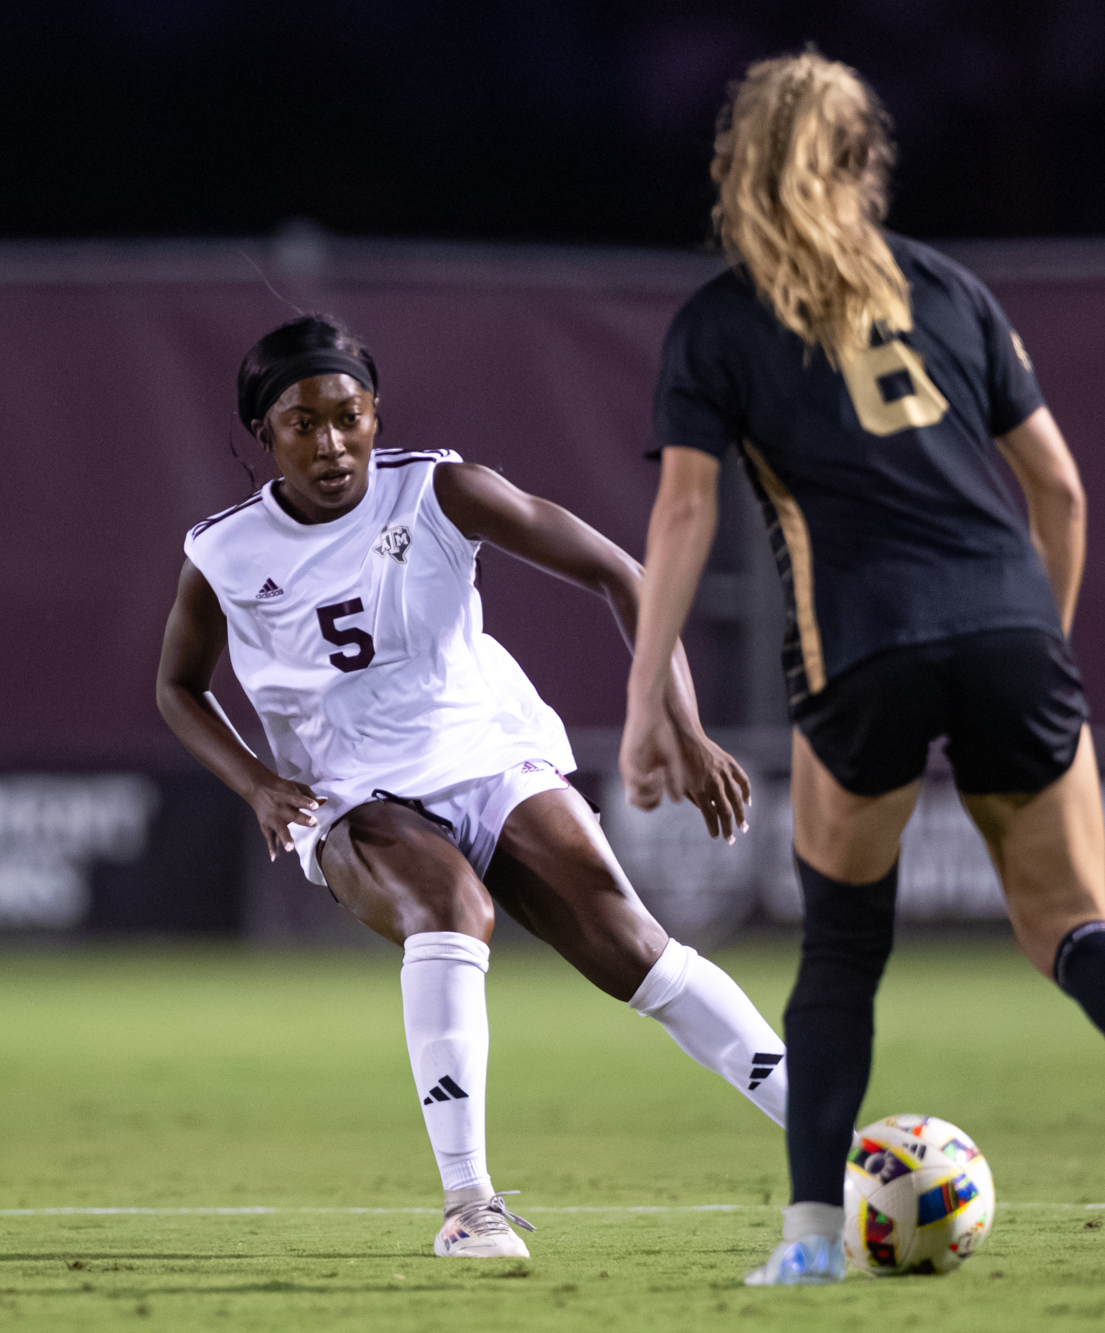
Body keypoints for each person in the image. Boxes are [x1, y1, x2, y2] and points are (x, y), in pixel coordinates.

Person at [619, 51, 1105, 1287]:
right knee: (1071, 923)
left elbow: (679, 520)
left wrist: (645, 707)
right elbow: (1059, 487)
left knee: (839, 952)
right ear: (863, 163)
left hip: (863, 645)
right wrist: (1035, 640)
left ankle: (810, 1244)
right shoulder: (945, 289)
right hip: (1007, 625)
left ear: (736, 170)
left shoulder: (717, 322)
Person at [157, 313, 783, 1261]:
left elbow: (624, 574)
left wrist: (680, 723)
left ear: (375, 413)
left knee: (636, 950)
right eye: (302, 424)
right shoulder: (227, 553)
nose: (330, 443)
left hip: (488, 758)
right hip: (352, 795)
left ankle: (837, 1143)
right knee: (453, 910)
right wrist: (254, 783)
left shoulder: (439, 490)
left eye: (348, 416)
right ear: (265, 433)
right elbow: (177, 685)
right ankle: (469, 1205)